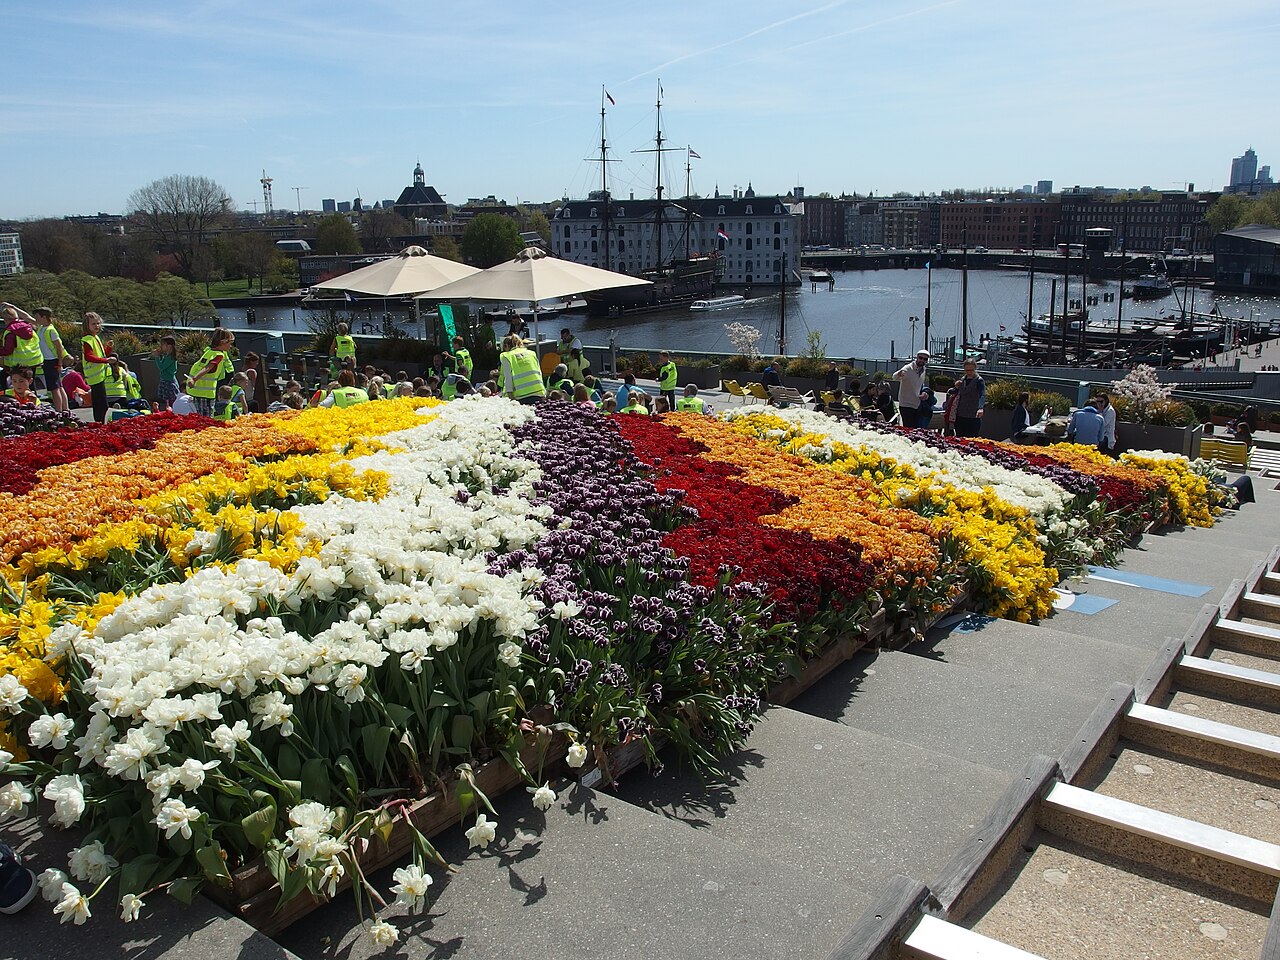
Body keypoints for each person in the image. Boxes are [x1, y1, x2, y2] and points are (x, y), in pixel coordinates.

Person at [27, 306, 74, 412]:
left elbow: (59, 347)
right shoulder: (41, 328)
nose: (36, 319)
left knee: (54, 388)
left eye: (38, 317)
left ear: (44, 317)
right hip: (47, 360)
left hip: (52, 360)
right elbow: (28, 318)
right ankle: (65, 409)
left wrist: (59, 363)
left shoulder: (51, 330)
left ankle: (59, 410)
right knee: (58, 386)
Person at [186, 327, 235, 418]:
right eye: (229, 343)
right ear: (222, 342)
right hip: (206, 393)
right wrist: (194, 379)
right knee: (206, 417)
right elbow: (207, 368)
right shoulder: (219, 355)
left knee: (199, 416)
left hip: (197, 391)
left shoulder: (209, 351)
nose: (230, 346)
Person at [80, 311, 113, 423]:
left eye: (98, 323)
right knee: (100, 402)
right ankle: (100, 422)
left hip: (100, 375)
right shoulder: (87, 339)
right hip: (94, 376)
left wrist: (108, 349)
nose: (97, 326)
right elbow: (89, 357)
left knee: (101, 401)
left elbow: (101, 354)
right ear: (87, 325)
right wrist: (106, 360)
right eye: (93, 324)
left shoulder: (95, 338)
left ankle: (101, 421)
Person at [499, 334, 546, 404]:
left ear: (506, 346)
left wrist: (510, 396)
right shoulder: (531, 353)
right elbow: (539, 373)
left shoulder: (507, 356)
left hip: (520, 396)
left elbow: (508, 378)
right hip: (537, 393)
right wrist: (543, 393)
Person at [893, 350, 930, 427]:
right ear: (917, 357)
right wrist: (899, 374)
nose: (922, 360)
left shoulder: (923, 370)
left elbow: (920, 385)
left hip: (916, 404)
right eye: (920, 358)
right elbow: (895, 377)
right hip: (906, 404)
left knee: (915, 430)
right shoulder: (908, 368)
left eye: (925, 359)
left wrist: (923, 393)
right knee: (908, 429)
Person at [953, 360, 986, 437]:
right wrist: (956, 387)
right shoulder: (963, 379)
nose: (969, 372)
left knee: (971, 439)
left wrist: (980, 407)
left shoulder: (979, 380)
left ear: (975, 368)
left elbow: (982, 395)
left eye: (971, 370)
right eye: (967, 370)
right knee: (959, 438)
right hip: (960, 415)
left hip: (973, 416)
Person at [153, 335, 181, 410]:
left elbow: (161, 367)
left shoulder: (171, 357)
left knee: (172, 402)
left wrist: (157, 357)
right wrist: (160, 356)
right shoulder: (167, 356)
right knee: (167, 403)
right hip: (165, 381)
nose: (161, 346)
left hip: (169, 382)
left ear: (169, 346)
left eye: (163, 344)